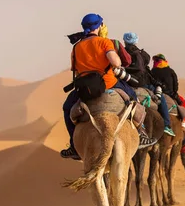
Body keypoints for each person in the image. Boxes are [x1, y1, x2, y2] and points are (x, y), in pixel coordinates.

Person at [60, 14, 156, 160]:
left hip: (85, 88)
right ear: (98, 27)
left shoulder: (76, 47)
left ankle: (74, 146)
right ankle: (141, 133)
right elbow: (116, 63)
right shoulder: (104, 42)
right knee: (133, 96)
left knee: (67, 107)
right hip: (108, 83)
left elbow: (75, 70)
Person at [122, 32, 175, 137]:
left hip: (125, 83)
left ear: (124, 41)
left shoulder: (121, 53)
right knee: (162, 99)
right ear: (136, 41)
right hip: (142, 84)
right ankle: (167, 125)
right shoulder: (142, 55)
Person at [151, 53, 185, 135]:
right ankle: (183, 122)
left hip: (155, 93)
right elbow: (175, 85)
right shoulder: (170, 71)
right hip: (170, 94)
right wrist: (174, 94)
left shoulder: (152, 71)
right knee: (184, 104)